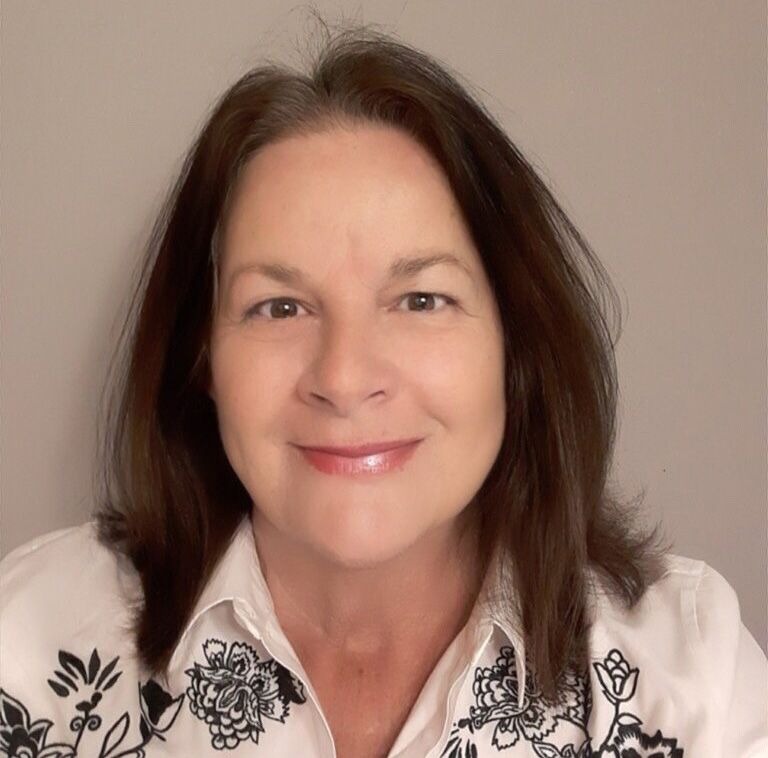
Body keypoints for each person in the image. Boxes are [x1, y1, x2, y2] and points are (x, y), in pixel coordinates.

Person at [1, 22, 766, 758]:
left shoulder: (689, 677)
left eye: (421, 300)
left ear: (515, 342)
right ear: (202, 354)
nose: (345, 378)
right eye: (279, 307)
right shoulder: (30, 644)